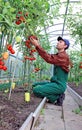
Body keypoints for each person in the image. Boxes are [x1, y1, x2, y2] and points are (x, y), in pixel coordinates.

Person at [30, 36, 72, 106]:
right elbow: (48, 56)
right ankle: (56, 95)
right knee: (35, 85)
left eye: (60, 42)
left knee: (36, 90)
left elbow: (48, 58)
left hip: (59, 85)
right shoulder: (59, 55)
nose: (58, 42)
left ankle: (57, 97)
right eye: (58, 41)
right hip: (55, 83)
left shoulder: (63, 56)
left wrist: (37, 45)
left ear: (65, 46)